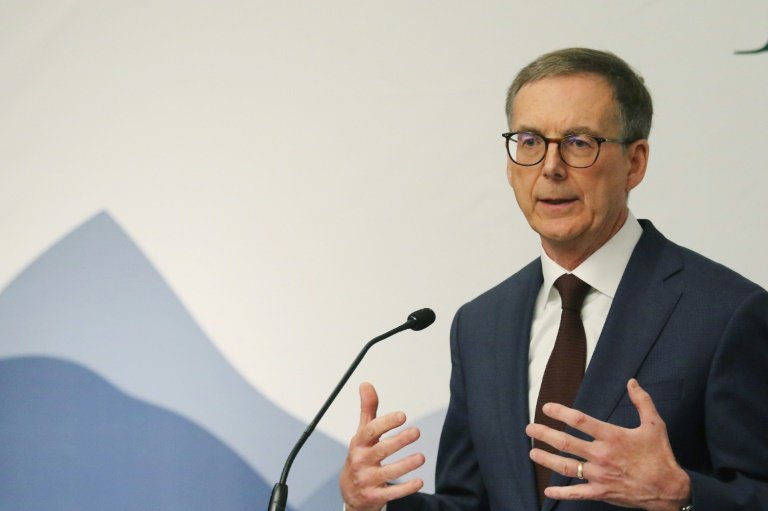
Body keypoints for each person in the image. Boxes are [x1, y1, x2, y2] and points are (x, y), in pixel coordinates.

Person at [339, 48, 768, 511]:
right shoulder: (481, 325)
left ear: (635, 162)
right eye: (529, 141)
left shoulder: (726, 313)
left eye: (580, 142)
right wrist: (375, 504)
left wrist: (681, 496)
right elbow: (470, 502)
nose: (550, 166)